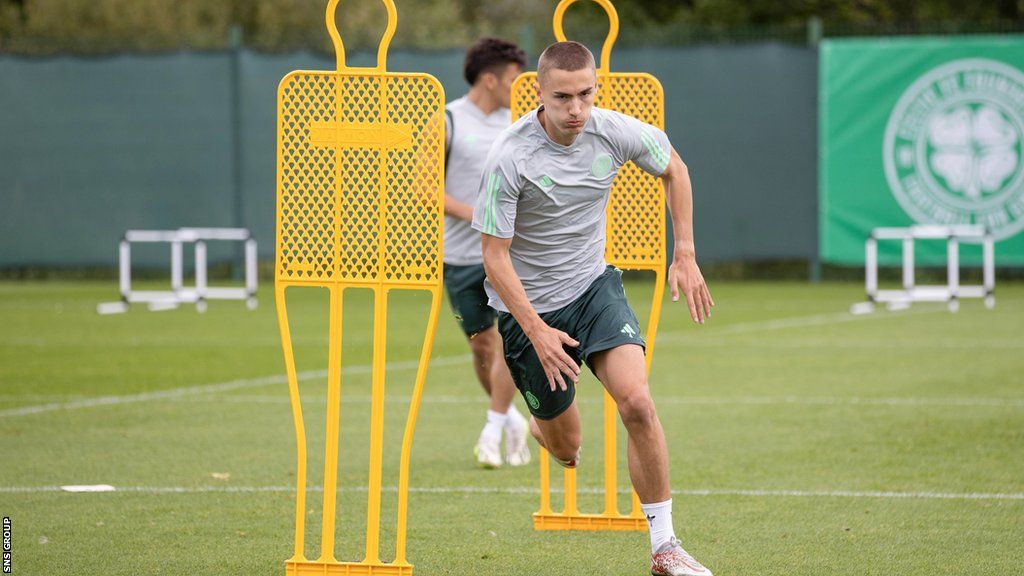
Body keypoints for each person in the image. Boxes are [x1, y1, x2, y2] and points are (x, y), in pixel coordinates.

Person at [471, 41, 715, 576]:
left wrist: (686, 253)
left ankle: (665, 547)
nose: (576, 109)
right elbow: (494, 258)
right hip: (526, 312)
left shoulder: (614, 130)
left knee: (638, 404)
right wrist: (536, 331)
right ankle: (542, 428)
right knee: (570, 452)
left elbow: (675, 168)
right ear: (537, 93)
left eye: (585, 94)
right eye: (562, 97)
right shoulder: (510, 156)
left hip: (592, 288)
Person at [443, 37, 532, 468]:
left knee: (508, 344)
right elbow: (427, 191)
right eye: (515, 79)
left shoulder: (520, 123)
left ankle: (492, 426)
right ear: (490, 79)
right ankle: (511, 418)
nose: (522, 88)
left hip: (509, 255)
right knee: (482, 349)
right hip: (460, 258)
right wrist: (482, 214)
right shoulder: (447, 121)